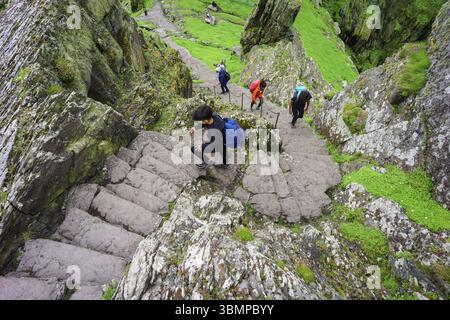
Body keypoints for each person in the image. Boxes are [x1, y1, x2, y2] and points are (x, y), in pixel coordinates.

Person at [190, 105, 228, 169]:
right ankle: (225, 163)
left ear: (206, 120)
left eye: (200, 120)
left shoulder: (214, 131)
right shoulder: (213, 115)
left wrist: (200, 145)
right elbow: (204, 123)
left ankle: (207, 161)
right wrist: (196, 127)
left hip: (218, 144)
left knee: (194, 149)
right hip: (223, 141)